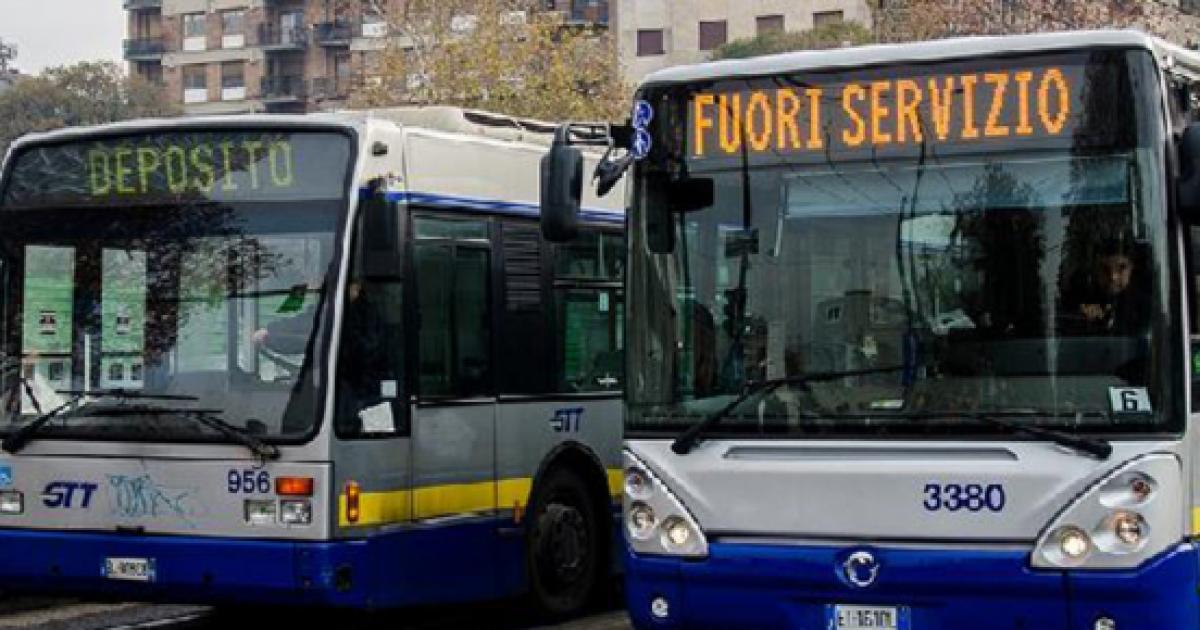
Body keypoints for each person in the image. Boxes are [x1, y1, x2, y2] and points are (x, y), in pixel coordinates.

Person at [1071, 239, 1150, 335]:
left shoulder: (1147, 306)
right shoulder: (1078, 298)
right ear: (1096, 270)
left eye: (1121, 268)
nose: (1113, 277)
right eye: (1105, 269)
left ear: (1131, 268)